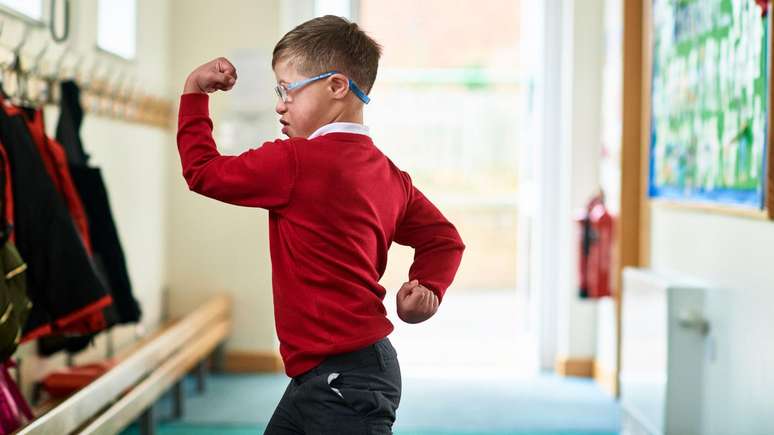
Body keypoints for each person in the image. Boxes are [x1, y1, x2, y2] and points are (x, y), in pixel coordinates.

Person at [176, 15, 465, 434]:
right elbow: (444, 240)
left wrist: (195, 91)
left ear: (336, 86)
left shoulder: (293, 160)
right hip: (331, 375)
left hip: (343, 382)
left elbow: (201, 170)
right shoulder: (390, 175)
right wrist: (429, 285)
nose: (280, 103)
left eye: (287, 89)